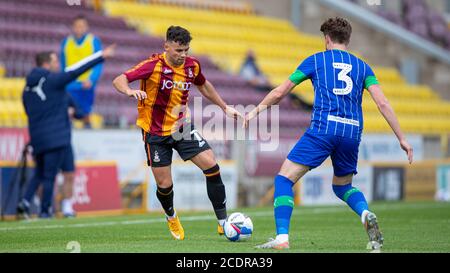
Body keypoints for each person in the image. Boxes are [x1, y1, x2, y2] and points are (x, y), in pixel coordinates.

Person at [244, 17, 414, 250]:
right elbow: (382, 103)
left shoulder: (316, 60)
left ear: (326, 39)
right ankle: (365, 213)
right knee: (342, 186)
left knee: (284, 179)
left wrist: (255, 111)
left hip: (324, 128)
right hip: (352, 132)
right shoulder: (363, 67)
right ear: (348, 39)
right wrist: (402, 138)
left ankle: (282, 238)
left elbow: (280, 91)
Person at [112, 26, 243, 240]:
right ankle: (171, 216)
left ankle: (223, 222)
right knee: (165, 185)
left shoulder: (192, 66)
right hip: (155, 133)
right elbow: (120, 79)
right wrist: (129, 91)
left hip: (181, 127)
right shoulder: (152, 65)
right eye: (178, 51)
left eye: (186, 51)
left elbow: (204, 85)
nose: (183, 55)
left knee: (212, 165)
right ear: (166, 46)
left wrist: (224, 106)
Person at [17, 45, 115, 219]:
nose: (58, 65)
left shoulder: (26, 89)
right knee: (49, 176)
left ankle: (25, 201)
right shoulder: (53, 81)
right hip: (57, 137)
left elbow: (28, 111)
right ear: (46, 64)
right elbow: (75, 71)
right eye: (55, 61)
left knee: (40, 173)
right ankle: (45, 211)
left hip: (37, 137)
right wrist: (101, 55)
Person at [60, 15, 103, 128]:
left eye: (82, 26)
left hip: (86, 85)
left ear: (87, 27)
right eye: (77, 26)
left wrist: (92, 80)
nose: (79, 28)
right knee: (68, 114)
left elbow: (98, 63)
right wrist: (63, 81)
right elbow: (63, 64)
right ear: (73, 27)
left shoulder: (93, 41)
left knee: (85, 114)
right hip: (70, 85)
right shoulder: (66, 42)